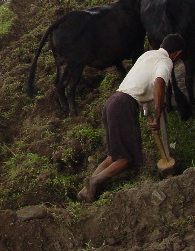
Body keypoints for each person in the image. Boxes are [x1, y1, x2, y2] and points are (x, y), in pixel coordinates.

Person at [77, 34, 186, 202]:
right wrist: (157, 116)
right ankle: (94, 181)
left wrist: (147, 111)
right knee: (126, 159)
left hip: (112, 102)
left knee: (114, 156)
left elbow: (141, 82)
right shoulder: (165, 62)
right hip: (124, 105)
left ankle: (85, 190)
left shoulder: (148, 55)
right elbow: (159, 83)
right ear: (177, 53)